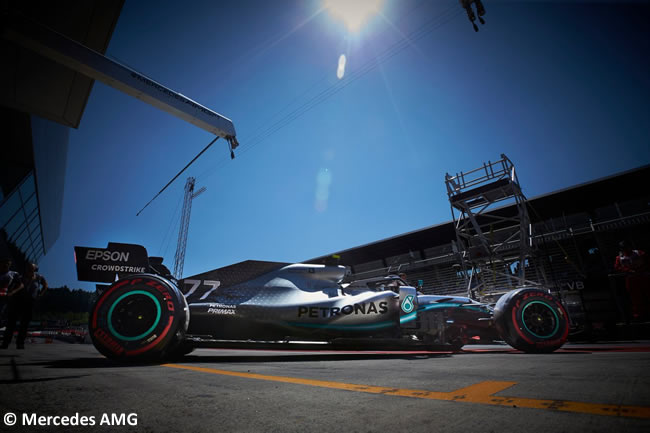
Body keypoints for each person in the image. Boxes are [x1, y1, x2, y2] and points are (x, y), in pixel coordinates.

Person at [2, 262, 47, 349]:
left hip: (30, 302)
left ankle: (20, 343)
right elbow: (12, 287)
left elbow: (45, 285)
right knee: (11, 322)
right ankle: (5, 343)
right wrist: (11, 294)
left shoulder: (39, 277)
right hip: (17, 301)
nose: (29, 270)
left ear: (34, 269)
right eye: (28, 268)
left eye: (31, 268)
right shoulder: (20, 277)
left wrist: (40, 294)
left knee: (24, 324)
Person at [614, 241, 649, 320]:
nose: (626, 249)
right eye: (624, 248)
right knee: (636, 298)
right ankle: (639, 314)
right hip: (631, 279)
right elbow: (617, 267)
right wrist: (627, 270)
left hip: (643, 276)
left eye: (627, 247)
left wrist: (642, 269)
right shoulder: (619, 257)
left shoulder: (639, 253)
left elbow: (647, 261)